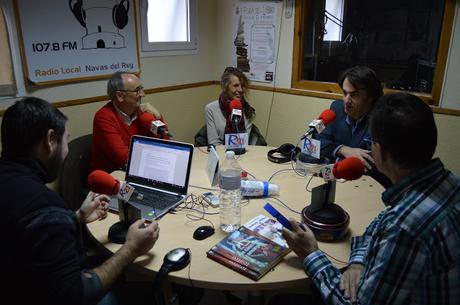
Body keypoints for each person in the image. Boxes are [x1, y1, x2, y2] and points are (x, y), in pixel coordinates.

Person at [282, 93, 460, 305]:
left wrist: (311, 254)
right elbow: (380, 223)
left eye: (371, 142)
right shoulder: (448, 182)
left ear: (380, 151)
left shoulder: (406, 227)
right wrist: (358, 261)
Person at [0, 97, 160, 305]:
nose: (67, 152)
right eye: (66, 140)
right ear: (50, 140)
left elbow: (23, 236)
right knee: (153, 291)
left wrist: (74, 218)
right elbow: (75, 295)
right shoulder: (45, 207)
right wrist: (131, 249)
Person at [314, 65, 391, 187]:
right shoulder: (336, 109)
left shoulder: (381, 119)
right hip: (334, 180)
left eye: (354, 95)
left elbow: (373, 166)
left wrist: (333, 151)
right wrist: (343, 150)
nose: (346, 100)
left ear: (371, 96)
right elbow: (316, 142)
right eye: (345, 93)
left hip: (365, 186)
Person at [91, 71, 170, 173]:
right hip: (112, 177)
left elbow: (165, 143)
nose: (143, 94)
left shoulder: (142, 114)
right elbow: (124, 158)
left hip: (139, 170)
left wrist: (158, 116)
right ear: (120, 95)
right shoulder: (104, 117)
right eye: (137, 91)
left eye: (142, 89)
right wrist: (156, 159)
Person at [204, 66, 265, 146]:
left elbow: (243, 142)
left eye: (242, 86)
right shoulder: (211, 108)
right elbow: (213, 143)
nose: (240, 90)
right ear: (225, 87)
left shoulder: (247, 108)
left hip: (241, 152)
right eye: (236, 85)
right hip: (220, 153)